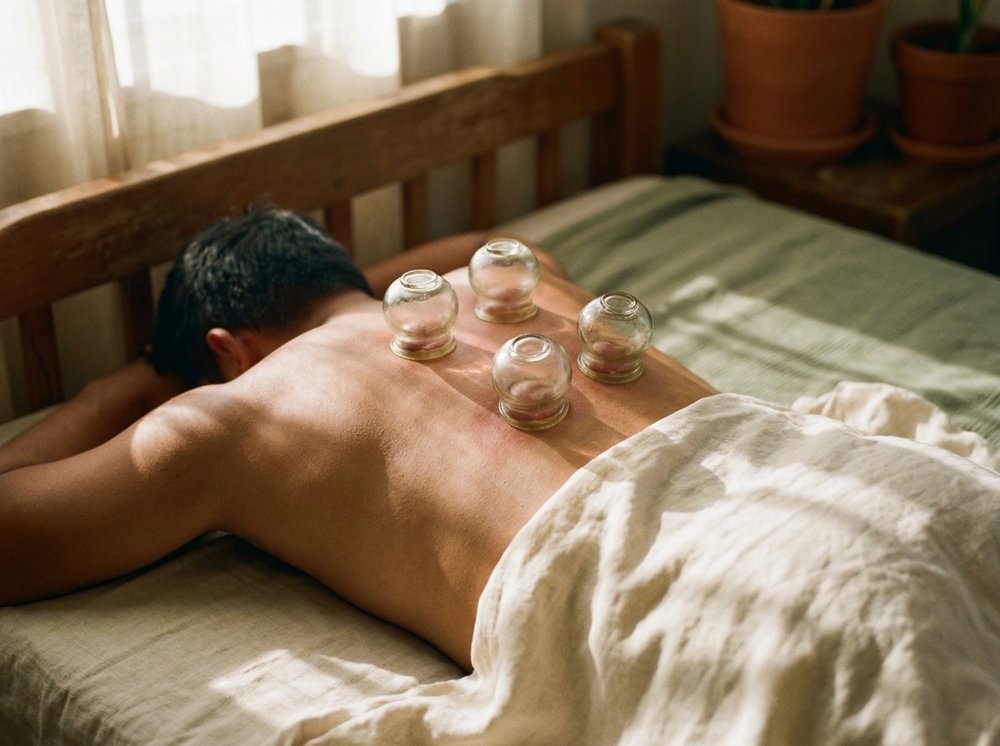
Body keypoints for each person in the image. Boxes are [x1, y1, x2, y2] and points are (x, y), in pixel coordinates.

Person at [0, 208, 714, 672]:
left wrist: (130, 382)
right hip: (788, 476)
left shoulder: (233, 414)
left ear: (227, 351)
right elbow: (474, 239)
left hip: (667, 609)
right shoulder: (501, 275)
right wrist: (369, 302)